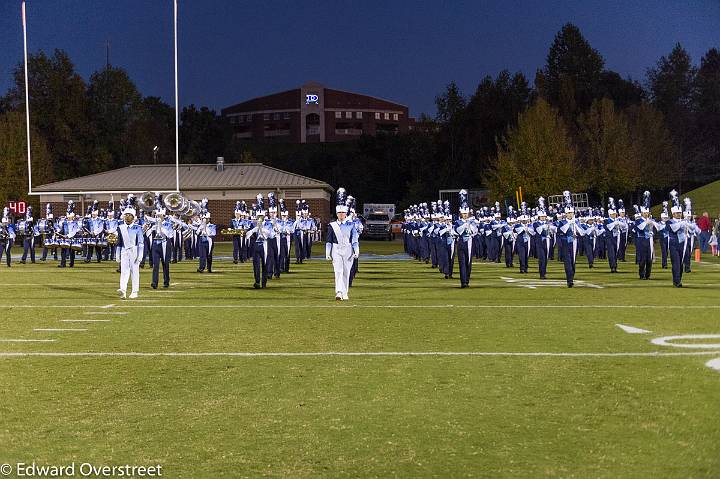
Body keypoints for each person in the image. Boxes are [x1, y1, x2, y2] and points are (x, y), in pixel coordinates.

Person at [326, 187, 359, 300]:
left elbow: (354, 240)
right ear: (336, 213)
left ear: (346, 213)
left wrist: (356, 251)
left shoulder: (351, 225)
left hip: (348, 249)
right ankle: (339, 292)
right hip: (336, 249)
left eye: (343, 213)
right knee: (338, 271)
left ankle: (345, 292)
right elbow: (329, 240)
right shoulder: (332, 225)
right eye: (339, 213)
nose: (341, 214)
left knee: (346, 271)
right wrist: (327, 252)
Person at [116, 205, 144, 299]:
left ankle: (135, 291)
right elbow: (119, 242)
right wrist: (117, 254)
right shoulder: (120, 227)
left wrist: (140, 255)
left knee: (134, 271)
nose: (127, 216)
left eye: (129, 215)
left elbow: (141, 243)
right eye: (126, 214)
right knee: (124, 271)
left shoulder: (138, 227)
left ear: (133, 217)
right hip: (124, 251)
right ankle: (123, 290)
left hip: (134, 250)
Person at [453, 189, 477, 288]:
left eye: (466, 213)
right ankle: (463, 282)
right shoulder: (458, 222)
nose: (465, 215)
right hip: (461, 243)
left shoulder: (472, 221)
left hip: (470, 243)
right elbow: (457, 231)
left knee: (468, 263)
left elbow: (475, 231)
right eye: (463, 214)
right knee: (462, 263)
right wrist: (466, 224)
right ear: (461, 214)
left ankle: (467, 280)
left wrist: (470, 224)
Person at [556, 191, 580, 288]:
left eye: (572, 213)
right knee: (568, 262)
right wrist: (570, 224)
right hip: (566, 243)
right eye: (569, 213)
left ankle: (571, 277)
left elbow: (582, 232)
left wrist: (576, 226)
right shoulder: (562, 222)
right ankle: (569, 280)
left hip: (574, 243)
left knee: (573, 262)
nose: (571, 214)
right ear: (566, 214)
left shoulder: (576, 221)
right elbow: (562, 230)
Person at [666, 190, 688, 288]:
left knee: (681, 264)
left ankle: (678, 279)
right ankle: (677, 281)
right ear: (673, 214)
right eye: (677, 213)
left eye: (680, 213)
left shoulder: (683, 221)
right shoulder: (669, 221)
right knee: (676, 263)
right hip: (674, 245)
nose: (679, 214)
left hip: (682, 245)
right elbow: (673, 228)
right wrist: (682, 223)